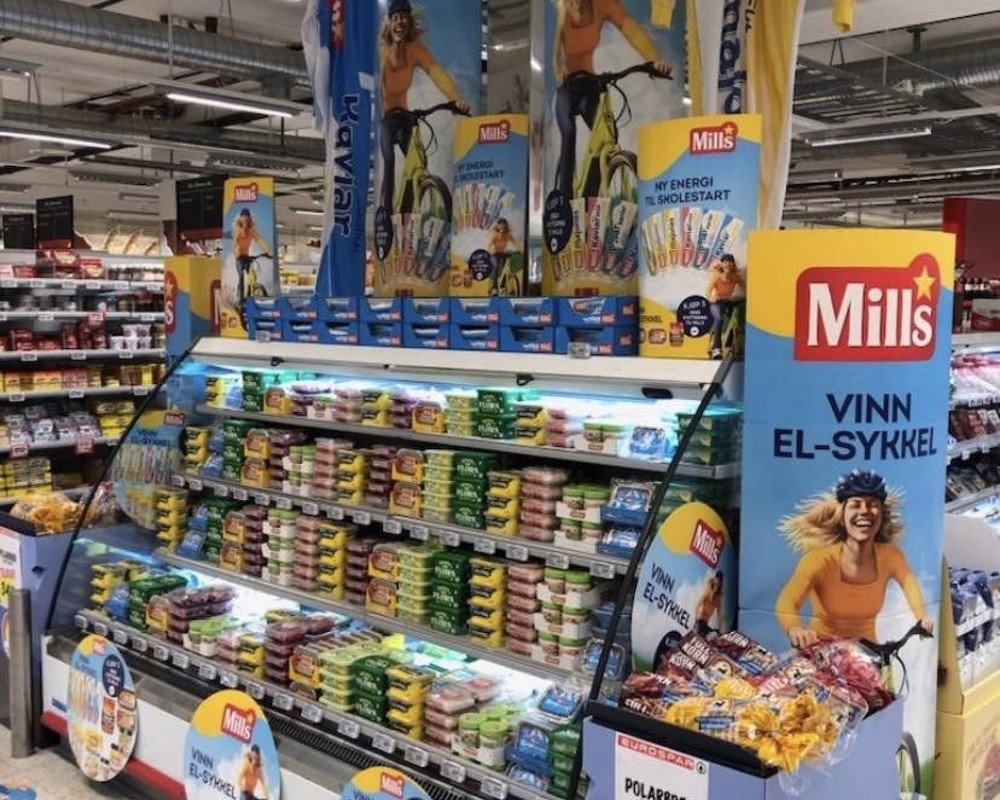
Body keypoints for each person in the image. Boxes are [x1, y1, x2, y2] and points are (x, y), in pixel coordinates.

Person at [775, 469, 935, 649]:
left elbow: (910, 585)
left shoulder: (891, 556)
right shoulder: (819, 560)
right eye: (855, 505)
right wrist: (795, 628)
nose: (864, 511)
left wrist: (922, 618)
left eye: (872, 504)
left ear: (881, 516)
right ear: (842, 517)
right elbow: (787, 600)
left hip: (867, 653)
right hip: (822, 652)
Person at [552, 0, 671, 196]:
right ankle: (564, 200)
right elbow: (556, 52)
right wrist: (559, 68)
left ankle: (589, 197)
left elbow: (631, 29)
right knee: (569, 133)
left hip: (589, 82)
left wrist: (654, 60)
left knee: (608, 135)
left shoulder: (602, 4)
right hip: (567, 86)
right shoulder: (563, 8)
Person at [378, 0, 470, 212]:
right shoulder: (383, 54)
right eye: (395, 18)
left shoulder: (415, 51)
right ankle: (386, 215)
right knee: (389, 162)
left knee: (420, 163)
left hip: (405, 117)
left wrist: (456, 99)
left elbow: (437, 72)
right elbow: (375, 82)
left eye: (403, 18)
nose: (399, 23)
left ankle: (411, 208)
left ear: (409, 23)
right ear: (389, 24)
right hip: (388, 119)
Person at [706, 253, 744, 359]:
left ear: (733, 265)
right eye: (726, 262)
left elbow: (745, 287)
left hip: (726, 302)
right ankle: (716, 348)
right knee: (718, 319)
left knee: (736, 318)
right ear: (722, 264)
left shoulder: (735, 277)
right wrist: (711, 297)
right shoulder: (717, 276)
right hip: (715, 303)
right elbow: (708, 291)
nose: (728, 265)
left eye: (730, 262)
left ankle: (737, 346)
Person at [233, 208, 271, 301]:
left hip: (247, 257)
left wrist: (267, 251)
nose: (245, 219)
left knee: (253, 275)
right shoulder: (238, 231)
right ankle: (240, 299)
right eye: (243, 217)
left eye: (247, 217)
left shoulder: (251, 231)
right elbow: (234, 246)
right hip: (239, 258)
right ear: (240, 219)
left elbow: (260, 240)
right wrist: (237, 252)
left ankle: (251, 291)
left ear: (249, 219)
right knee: (241, 277)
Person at [487, 218, 521, 295]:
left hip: (502, 253)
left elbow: (516, 243)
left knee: (506, 268)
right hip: (493, 254)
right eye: (500, 226)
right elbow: (489, 246)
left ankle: (503, 286)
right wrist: (493, 250)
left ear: (506, 226)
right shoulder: (494, 234)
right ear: (498, 226)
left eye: (503, 226)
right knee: (496, 266)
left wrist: (522, 251)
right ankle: (494, 288)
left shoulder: (508, 234)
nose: (502, 228)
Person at [694, 570, 724, 636]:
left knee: (712, 634)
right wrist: (696, 613)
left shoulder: (718, 597)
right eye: (717, 580)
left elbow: (719, 613)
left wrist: (720, 627)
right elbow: (700, 601)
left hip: (706, 622)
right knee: (700, 634)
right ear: (715, 579)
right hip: (700, 619)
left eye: (719, 581)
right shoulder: (709, 589)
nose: (717, 582)